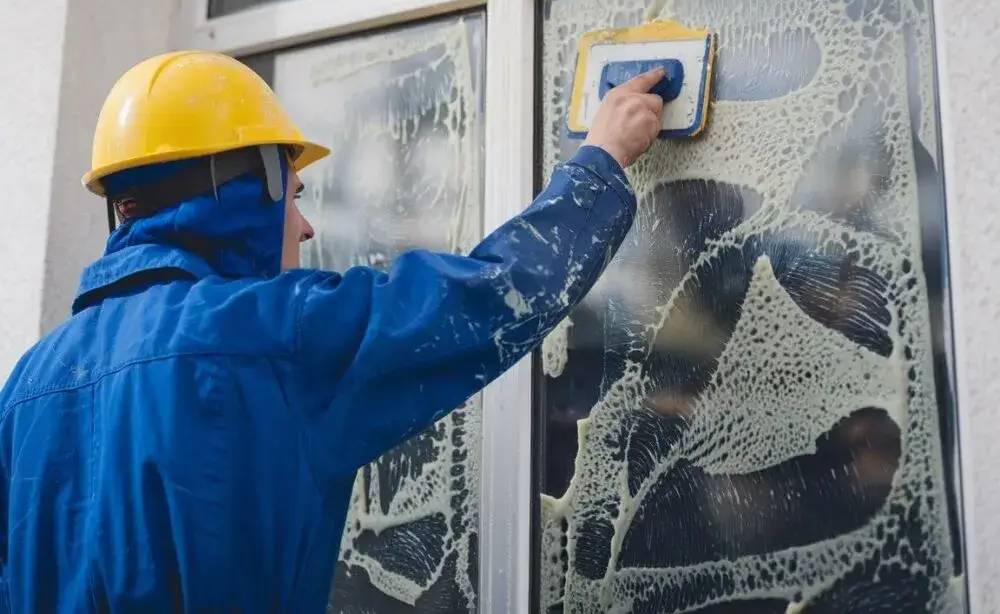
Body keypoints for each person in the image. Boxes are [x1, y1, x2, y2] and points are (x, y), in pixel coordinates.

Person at [0, 51, 665, 612]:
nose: (306, 226)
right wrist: (598, 164)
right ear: (244, 196)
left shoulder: (27, 384)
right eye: (292, 195)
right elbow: (482, 298)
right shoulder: (268, 334)